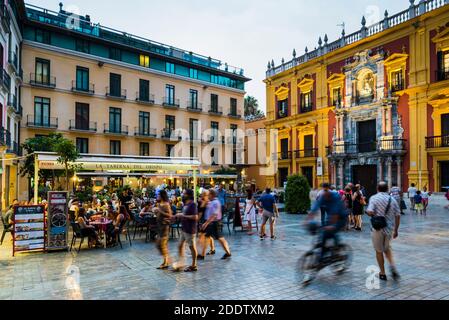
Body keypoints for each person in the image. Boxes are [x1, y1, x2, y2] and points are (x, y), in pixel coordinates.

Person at [366, 182, 401, 282]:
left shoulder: (374, 198)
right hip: (389, 229)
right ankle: (392, 266)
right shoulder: (392, 199)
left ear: (377, 188)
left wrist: (369, 212)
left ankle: (382, 273)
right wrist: (396, 230)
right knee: (387, 248)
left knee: (379, 251)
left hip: (377, 228)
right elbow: (398, 215)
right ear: (387, 189)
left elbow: (370, 211)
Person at [309, 183, 348, 263]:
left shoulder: (335, 196)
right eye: (323, 190)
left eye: (326, 190)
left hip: (341, 218)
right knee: (322, 235)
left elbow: (336, 212)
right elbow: (315, 207)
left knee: (330, 231)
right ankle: (324, 253)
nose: (325, 192)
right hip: (331, 217)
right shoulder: (323, 196)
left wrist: (331, 226)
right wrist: (307, 220)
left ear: (329, 189)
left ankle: (337, 249)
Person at [198, 189, 232, 260]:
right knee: (206, 238)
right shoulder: (211, 202)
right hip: (210, 223)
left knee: (220, 239)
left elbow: (214, 215)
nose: (208, 196)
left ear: (212, 195)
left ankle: (228, 253)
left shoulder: (216, 202)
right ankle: (202, 255)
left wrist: (206, 223)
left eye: (209, 194)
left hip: (214, 223)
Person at [174, 189, 199, 272]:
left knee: (192, 247)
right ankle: (181, 262)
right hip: (184, 229)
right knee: (180, 246)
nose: (182, 194)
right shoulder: (185, 204)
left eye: (184, 193)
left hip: (190, 229)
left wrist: (183, 216)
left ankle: (194, 265)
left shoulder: (193, 204)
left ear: (188, 195)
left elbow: (195, 217)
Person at [153, 190, 173, 269]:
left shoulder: (166, 204)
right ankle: (166, 260)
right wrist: (155, 212)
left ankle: (166, 262)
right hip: (160, 226)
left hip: (164, 227)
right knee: (159, 245)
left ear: (162, 196)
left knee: (162, 245)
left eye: (158, 195)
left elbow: (170, 215)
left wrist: (159, 211)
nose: (157, 196)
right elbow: (159, 214)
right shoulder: (159, 204)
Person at [197, 190, 215, 256]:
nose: (201, 195)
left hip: (204, 220)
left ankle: (201, 252)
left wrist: (197, 220)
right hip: (205, 220)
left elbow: (201, 213)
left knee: (202, 236)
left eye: (202, 194)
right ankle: (212, 249)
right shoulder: (204, 201)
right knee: (207, 236)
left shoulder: (206, 202)